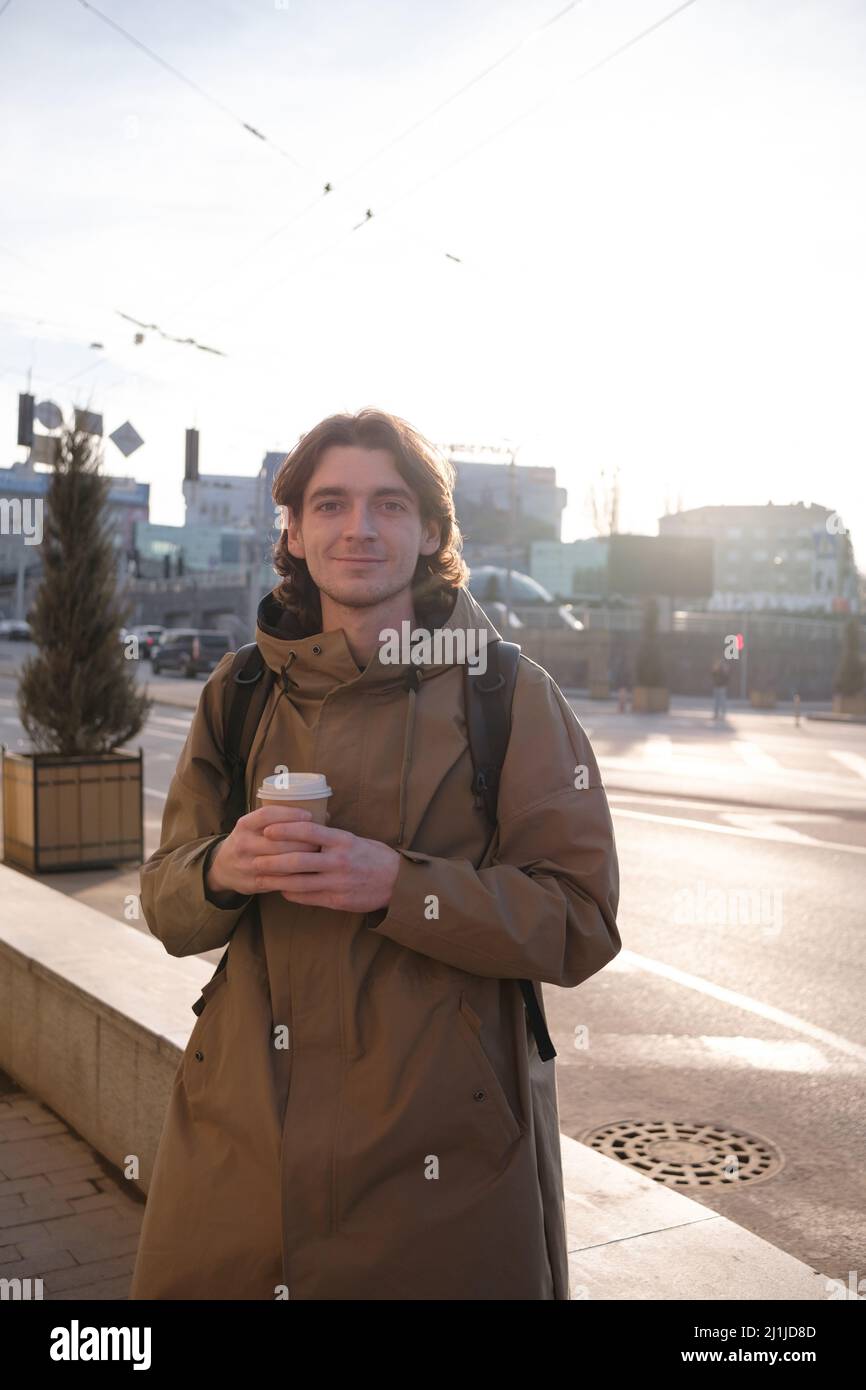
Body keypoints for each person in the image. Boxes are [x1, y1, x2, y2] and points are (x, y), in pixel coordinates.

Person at [129, 407, 621, 1302]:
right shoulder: (236, 693)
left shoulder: (506, 692)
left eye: (390, 505)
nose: (358, 528)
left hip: (444, 1162)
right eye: (331, 504)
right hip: (240, 1148)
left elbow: (581, 921)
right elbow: (163, 902)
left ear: (431, 530)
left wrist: (402, 885)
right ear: (294, 529)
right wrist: (219, 871)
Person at [711, 656, 730, 720]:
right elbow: (713, 675)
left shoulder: (721, 668)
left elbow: (713, 675)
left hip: (721, 687)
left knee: (720, 701)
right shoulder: (721, 668)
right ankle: (718, 714)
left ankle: (720, 714)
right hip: (718, 686)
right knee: (719, 701)